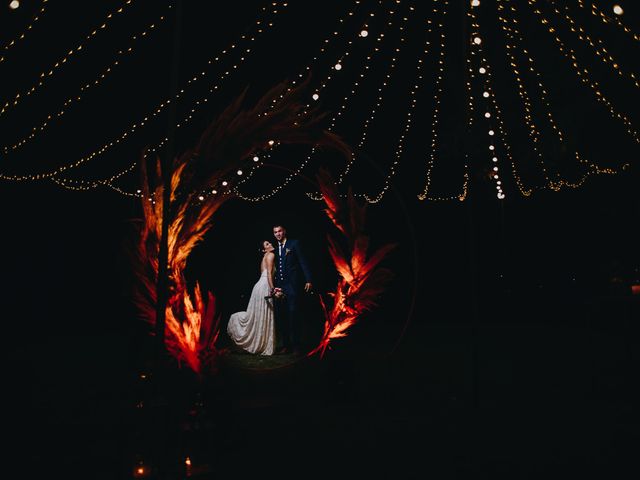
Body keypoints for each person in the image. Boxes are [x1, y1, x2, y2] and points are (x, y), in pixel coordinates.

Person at [226, 240, 276, 355]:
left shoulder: (264, 257)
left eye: (269, 243)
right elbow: (268, 274)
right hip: (265, 286)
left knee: (258, 315)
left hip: (258, 286)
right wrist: (273, 288)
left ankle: (259, 343)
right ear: (264, 249)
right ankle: (260, 344)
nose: (270, 244)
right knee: (263, 314)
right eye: (267, 244)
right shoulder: (271, 255)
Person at [272, 224, 313, 355]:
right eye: (275, 232)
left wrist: (308, 279)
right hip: (280, 286)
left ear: (284, 231)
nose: (278, 234)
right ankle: (286, 345)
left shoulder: (294, 244)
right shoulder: (274, 248)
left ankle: (296, 345)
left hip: (293, 285)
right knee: (282, 316)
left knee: (293, 314)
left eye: (279, 231)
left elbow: (302, 261)